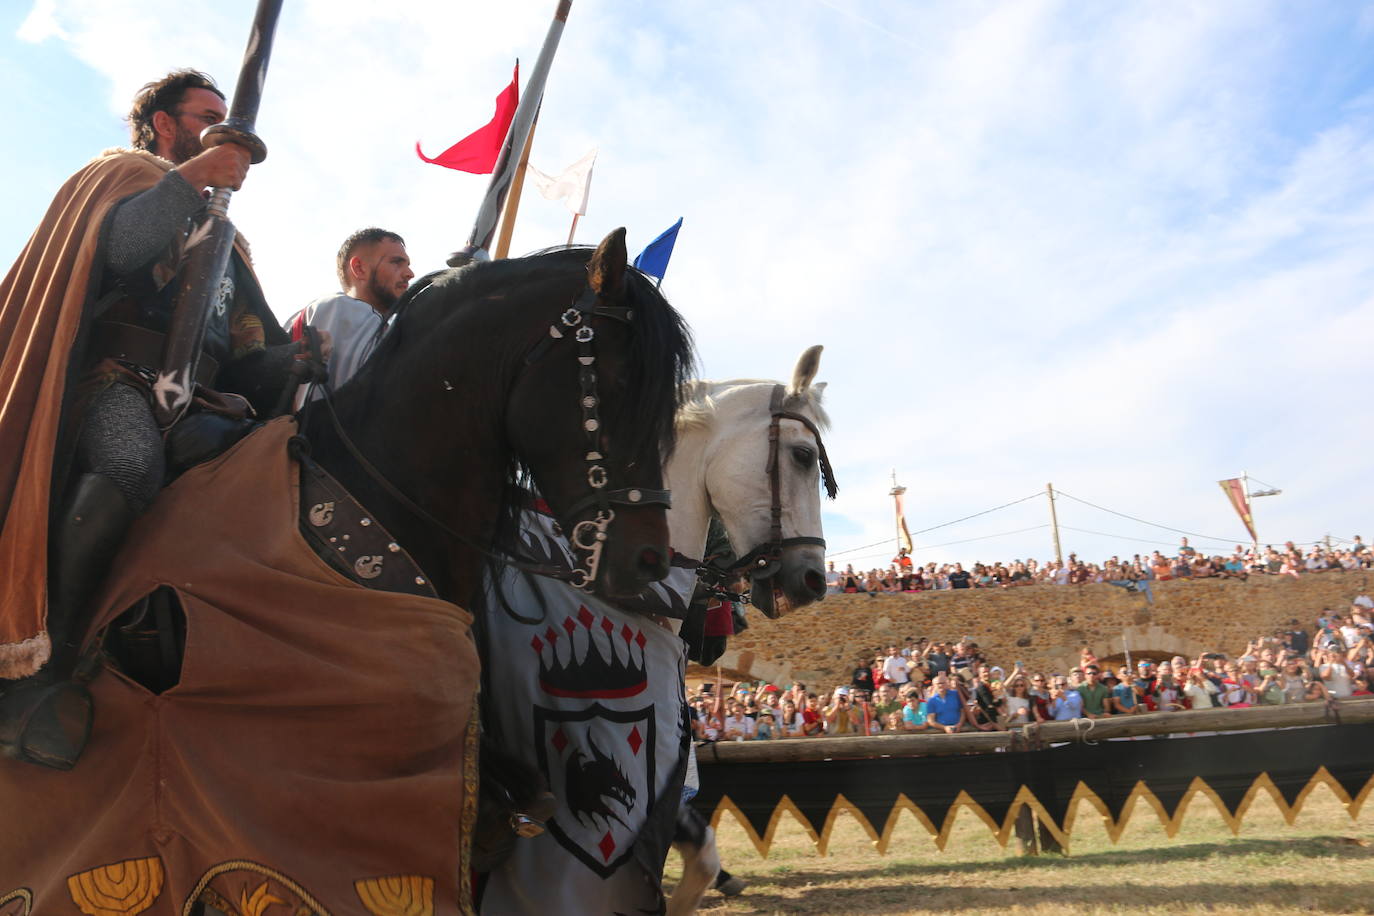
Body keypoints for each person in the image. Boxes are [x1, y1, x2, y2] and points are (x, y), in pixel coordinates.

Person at [0, 71, 311, 761]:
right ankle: (46, 667)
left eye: (229, 121)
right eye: (208, 117)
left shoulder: (229, 240)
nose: (226, 132)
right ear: (165, 124)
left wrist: (297, 365)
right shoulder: (124, 174)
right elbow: (120, 250)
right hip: (109, 380)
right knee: (129, 459)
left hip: (202, 402)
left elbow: (242, 351)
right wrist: (192, 177)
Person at [285, 228, 413, 400]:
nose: (409, 274)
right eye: (396, 262)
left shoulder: (319, 312)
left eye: (408, 265)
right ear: (359, 268)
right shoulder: (338, 307)